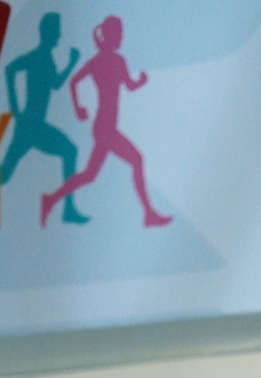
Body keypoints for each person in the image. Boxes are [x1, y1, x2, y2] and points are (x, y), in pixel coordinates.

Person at [40, 15, 171, 228]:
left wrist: (141, 81)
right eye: (118, 33)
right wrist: (78, 108)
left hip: (105, 127)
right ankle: (149, 213)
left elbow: (128, 85)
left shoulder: (115, 61)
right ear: (110, 35)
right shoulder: (105, 61)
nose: (121, 37)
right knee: (136, 160)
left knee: (90, 175)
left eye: (121, 33)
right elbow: (75, 81)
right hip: (104, 128)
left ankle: (51, 199)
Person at [1, 12, 88, 222]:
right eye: (56, 31)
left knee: (4, 174)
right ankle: (68, 210)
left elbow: (53, 84)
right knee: (5, 174)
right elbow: (10, 69)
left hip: (33, 125)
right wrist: (15, 108)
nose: (59, 35)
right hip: (31, 125)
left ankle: (68, 210)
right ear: (47, 32)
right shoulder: (38, 56)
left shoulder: (46, 57)